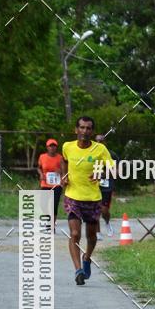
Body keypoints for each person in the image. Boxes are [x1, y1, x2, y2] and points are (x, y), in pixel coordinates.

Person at [61, 116, 115, 285]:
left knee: (91, 237)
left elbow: (113, 170)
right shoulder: (67, 147)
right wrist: (64, 175)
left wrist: (102, 174)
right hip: (72, 197)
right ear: (76, 130)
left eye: (88, 128)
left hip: (92, 199)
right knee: (75, 234)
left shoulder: (100, 149)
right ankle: (78, 270)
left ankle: (87, 257)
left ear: (92, 131)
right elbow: (64, 160)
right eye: (82, 128)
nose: (85, 131)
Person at [37, 138, 63, 230]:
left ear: (56, 147)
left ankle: (52, 225)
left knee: (54, 205)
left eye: (54, 146)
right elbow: (39, 168)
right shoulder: (42, 157)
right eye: (50, 146)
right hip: (45, 183)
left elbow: (65, 171)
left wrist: (60, 171)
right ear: (47, 147)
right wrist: (40, 174)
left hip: (56, 184)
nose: (52, 148)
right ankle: (48, 220)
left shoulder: (60, 158)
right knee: (43, 204)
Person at [95, 134, 116, 239]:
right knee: (95, 209)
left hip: (106, 185)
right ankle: (97, 232)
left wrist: (103, 174)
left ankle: (107, 223)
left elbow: (115, 172)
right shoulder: (91, 154)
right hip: (93, 185)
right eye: (97, 141)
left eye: (101, 141)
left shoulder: (111, 155)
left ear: (105, 142)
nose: (99, 143)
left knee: (104, 210)